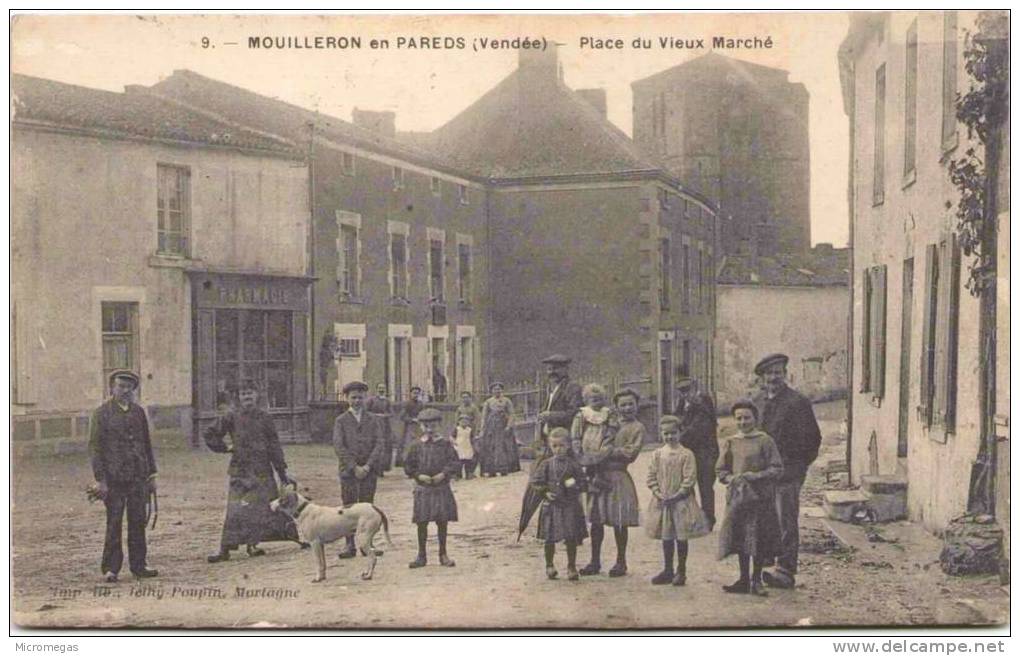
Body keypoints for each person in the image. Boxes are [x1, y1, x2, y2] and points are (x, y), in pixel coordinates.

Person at [205, 379, 299, 563]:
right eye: (243, 394)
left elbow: (274, 446)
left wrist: (281, 472)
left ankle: (252, 545)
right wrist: (225, 447)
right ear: (239, 397)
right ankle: (225, 549)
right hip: (240, 470)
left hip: (262, 470)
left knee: (260, 510)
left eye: (250, 393)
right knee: (235, 510)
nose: (247, 396)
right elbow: (209, 433)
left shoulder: (265, 417)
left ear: (257, 395)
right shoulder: (231, 416)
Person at [753, 353, 822, 590]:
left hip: (788, 473)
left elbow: (812, 439)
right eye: (770, 373)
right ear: (762, 377)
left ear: (785, 374)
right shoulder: (757, 401)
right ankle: (764, 562)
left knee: (786, 521)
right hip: (763, 475)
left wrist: (797, 467)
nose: (774, 377)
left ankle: (785, 570)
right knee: (765, 518)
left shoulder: (797, 402)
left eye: (778, 372)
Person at [88, 370, 158, 582]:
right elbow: (95, 447)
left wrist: (151, 475)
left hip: (138, 476)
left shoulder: (138, 412)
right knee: (114, 522)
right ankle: (111, 568)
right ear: (112, 388)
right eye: (120, 386)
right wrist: (101, 479)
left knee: (138, 522)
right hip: (114, 478)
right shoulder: (101, 413)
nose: (125, 391)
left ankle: (139, 566)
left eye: (129, 387)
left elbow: (146, 444)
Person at [573, 387, 643, 578]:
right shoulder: (605, 420)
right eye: (623, 405)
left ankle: (621, 561)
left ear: (637, 405)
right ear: (616, 406)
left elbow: (630, 453)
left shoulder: (637, 428)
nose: (627, 408)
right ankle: (595, 561)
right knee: (597, 520)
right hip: (598, 474)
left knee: (619, 521)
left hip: (618, 476)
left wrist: (604, 451)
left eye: (631, 404)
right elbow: (587, 438)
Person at [716, 400, 783, 596]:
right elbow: (721, 470)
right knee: (741, 538)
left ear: (755, 418)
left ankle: (756, 579)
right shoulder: (731, 441)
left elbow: (777, 468)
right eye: (739, 418)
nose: (743, 422)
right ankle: (743, 579)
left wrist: (757, 476)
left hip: (760, 498)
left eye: (747, 417)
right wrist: (730, 478)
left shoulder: (765, 441)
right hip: (739, 499)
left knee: (759, 538)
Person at [646, 415, 710, 586]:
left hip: (681, 502)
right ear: (661, 434)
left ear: (680, 432)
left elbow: (689, 479)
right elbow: (651, 476)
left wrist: (677, 495)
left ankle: (681, 571)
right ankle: (668, 570)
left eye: (673, 433)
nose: (669, 437)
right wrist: (658, 493)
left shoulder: (687, 454)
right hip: (663, 501)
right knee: (666, 536)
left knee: (681, 537)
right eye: (666, 433)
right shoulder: (657, 454)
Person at [332, 380, 388, 558]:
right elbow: (339, 446)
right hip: (348, 472)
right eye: (353, 397)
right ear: (347, 398)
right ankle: (349, 545)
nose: (357, 401)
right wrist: (353, 467)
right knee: (348, 508)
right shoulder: (341, 421)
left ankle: (367, 544)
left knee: (367, 507)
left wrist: (368, 466)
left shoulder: (373, 419)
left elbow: (379, 444)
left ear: (365, 398)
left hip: (369, 471)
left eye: (360, 397)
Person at [403, 408, 460, 568]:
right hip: (423, 489)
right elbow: (408, 466)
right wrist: (419, 476)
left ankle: (443, 554)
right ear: (421, 426)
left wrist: (444, 474)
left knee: (442, 521)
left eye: (433, 425)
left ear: (439, 426)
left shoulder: (446, 444)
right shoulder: (416, 446)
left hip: (441, 487)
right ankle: (421, 556)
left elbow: (454, 463)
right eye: (426, 426)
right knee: (422, 522)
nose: (430, 429)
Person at [529, 428, 587, 581]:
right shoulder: (546, 464)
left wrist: (571, 483)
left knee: (570, 537)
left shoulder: (573, 465)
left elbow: (582, 482)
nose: (558, 449)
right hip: (552, 506)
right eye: (554, 446)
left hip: (569, 505)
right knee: (550, 537)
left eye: (562, 445)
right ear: (550, 446)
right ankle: (549, 565)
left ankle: (571, 566)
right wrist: (545, 492)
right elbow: (536, 482)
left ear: (568, 446)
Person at [674, 377, 720, 529]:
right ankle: (693, 517)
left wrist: (679, 437)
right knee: (687, 485)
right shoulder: (682, 405)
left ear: (694, 388)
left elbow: (699, 429)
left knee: (705, 486)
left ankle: (708, 519)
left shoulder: (703, 402)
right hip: (689, 452)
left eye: (687, 390)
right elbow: (674, 420)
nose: (685, 394)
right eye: (682, 391)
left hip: (705, 452)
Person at [535, 354, 583, 462]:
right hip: (550, 438)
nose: (552, 372)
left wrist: (550, 415)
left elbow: (574, 413)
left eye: (555, 369)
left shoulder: (572, 387)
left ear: (566, 369)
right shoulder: (550, 388)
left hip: (564, 440)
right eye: (549, 369)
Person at [478, 382, 519, 477]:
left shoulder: (507, 401)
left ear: (502, 390)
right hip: (491, 427)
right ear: (492, 391)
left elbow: (512, 414)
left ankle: (504, 468)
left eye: (499, 389)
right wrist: (482, 429)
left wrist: (509, 426)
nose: (497, 391)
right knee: (490, 447)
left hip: (503, 426)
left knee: (503, 447)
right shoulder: (488, 402)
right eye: (495, 389)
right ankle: (491, 470)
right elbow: (484, 416)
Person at [366, 383, 394, 474]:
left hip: (384, 426)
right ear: (376, 389)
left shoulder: (387, 401)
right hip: (373, 426)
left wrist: (384, 415)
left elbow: (391, 413)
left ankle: (381, 469)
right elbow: (366, 411)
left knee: (384, 447)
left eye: (383, 388)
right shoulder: (371, 400)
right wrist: (375, 416)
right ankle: (373, 467)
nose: (381, 390)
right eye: (380, 388)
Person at [395, 386, 425, 468]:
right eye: (414, 393)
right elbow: (401, 417)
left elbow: (423, 414)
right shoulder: (407, 404)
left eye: (417, 393)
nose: (416, 395)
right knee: (408, 445)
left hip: (418, 427)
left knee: (419, 443)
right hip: (409, 427)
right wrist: (412, 419)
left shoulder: (420, 404)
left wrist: (420, 420)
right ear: (410, 394)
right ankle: (406, 463)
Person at [451, 413, 478, 480]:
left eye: (466, 421)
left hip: (467, 446)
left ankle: (468, 474)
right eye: (462, 421)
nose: (464, 423)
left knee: (468, 462)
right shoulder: (457, 429)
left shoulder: (469, 430)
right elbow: (451, 437)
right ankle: (458, 475)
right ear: (458, 422)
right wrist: (453, 442)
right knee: (459, 463)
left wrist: (474, 445)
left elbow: (472, 438)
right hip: (459, 446)